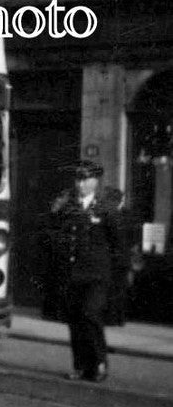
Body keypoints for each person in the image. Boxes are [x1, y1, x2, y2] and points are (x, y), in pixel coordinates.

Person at [43, 159, 127, 382]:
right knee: (75, 320)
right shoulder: (68, 207)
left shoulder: (106, 209)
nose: (81, 184)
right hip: (73, 274)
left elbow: (118, 245)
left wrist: (116, 277)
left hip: (97, 276)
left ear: (95, 181)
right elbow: (56, 235)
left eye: (85, 180)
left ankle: (99, 364)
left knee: (90, 314)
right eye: (78, 180)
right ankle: (80, 366)